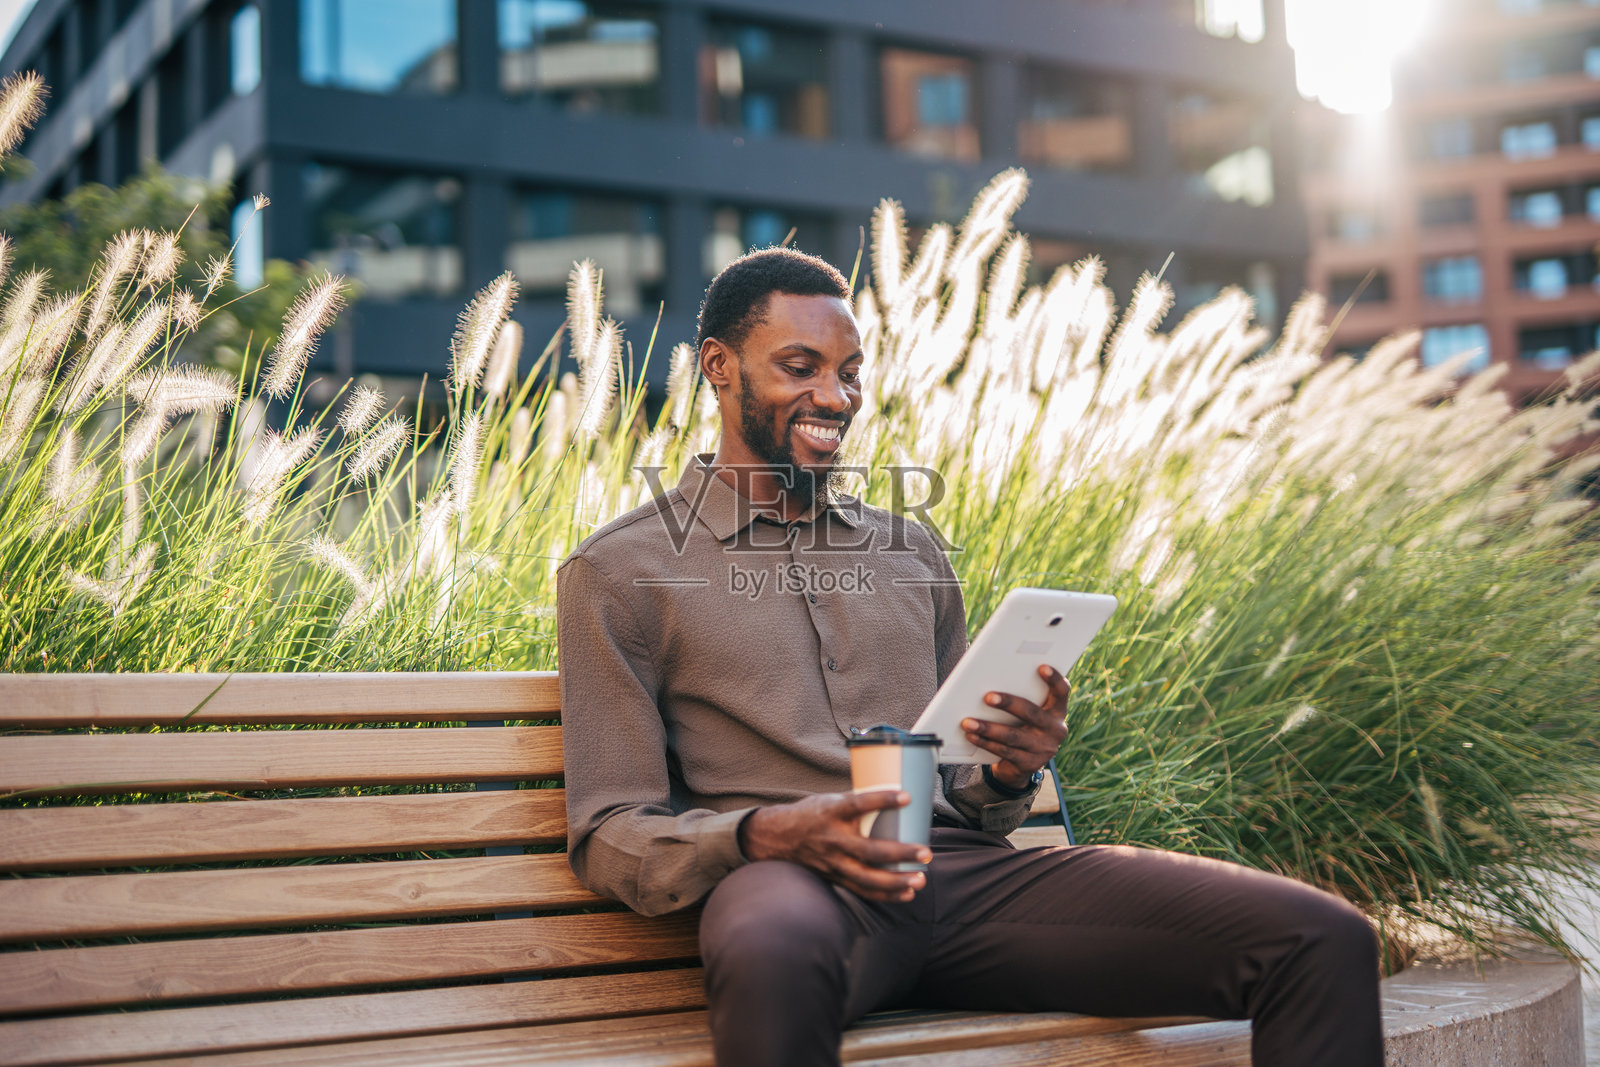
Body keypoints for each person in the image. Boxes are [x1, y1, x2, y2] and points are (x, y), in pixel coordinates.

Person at [555, 247, 1383, 1067]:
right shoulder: (621, 572)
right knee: (775, 958)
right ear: (719, 366)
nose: (834, 397)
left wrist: (1009, 772)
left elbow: (967, 795)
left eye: (850, 372)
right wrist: (765, 833)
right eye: (801, 367)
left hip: (967, 879)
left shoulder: (913, 549)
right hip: (794, 883)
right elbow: (609, 831)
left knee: (1322, 939)